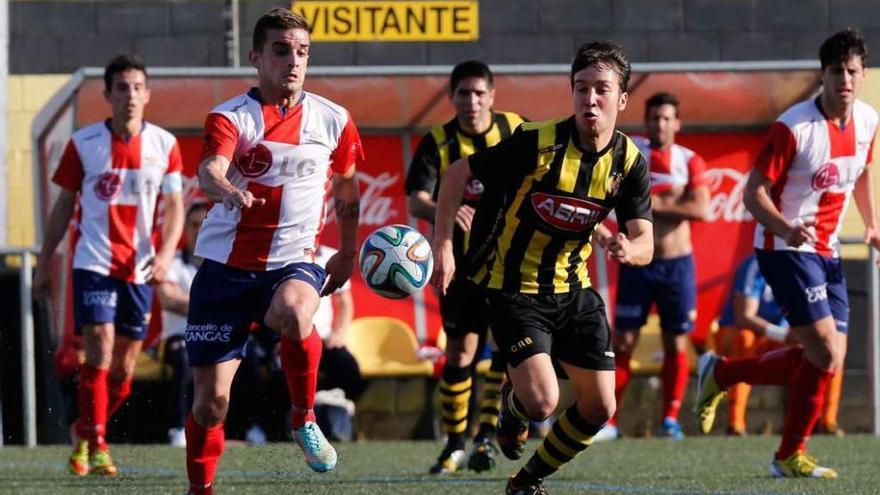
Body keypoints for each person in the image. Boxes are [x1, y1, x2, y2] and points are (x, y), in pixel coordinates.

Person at [432, 40, 654, 495]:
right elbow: (456, 175)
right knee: (543, 402)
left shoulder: (629, 162)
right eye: (581, 88)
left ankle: (526, 481)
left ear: (623, 99)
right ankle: (512, 409)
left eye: (602, 90)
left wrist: (631, 251)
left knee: (600, 407)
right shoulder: (536, 143)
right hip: (513, 288)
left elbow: (646, 239)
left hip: (575, 289)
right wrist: (444, 247)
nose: (590, 99)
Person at [183, 8, 363, 495]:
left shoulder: (334, 119)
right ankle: (200, 489)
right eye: (282, 50)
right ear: (256, 57)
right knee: (210, 406)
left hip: (293, 261)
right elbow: (209, 169)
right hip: (225, 272)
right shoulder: (231, 116)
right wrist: (225, 188)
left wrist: (347, 252)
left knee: (296, 313)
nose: (293, 61)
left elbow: (346, 184)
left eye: (302, 51)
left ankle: (303, 418)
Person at [696, 28, 880, 479]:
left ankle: (727, 379)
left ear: (861, 74)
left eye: (853, 71)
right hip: (784, 249)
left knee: (828, 360)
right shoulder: (793, 127)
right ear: (823, 74)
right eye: (836, 71)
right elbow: (753, 194)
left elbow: (859, 175)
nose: (846, 80)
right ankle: (784, 450)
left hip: (828, 251)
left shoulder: (869, 121)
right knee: (823, 354)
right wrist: (785, 227)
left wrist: (872, 225)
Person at [33, 54, 185, 476]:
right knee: (97, 343)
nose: (130, 95)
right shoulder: (83, 144)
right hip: (94, 260)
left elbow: (174, 206)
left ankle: (84, 431)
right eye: (122, 88)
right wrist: (45, 263)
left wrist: (167, 253)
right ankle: (98, 445)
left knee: (124, 369)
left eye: (138, 87)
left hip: (140, 267)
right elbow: (64, 206)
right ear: (107, 95)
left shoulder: (165, 145)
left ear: (148, 94)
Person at [405, 60, 526, 474]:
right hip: (459, 265)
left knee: (508, 351)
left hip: (510, 263)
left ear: (492, 96)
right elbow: (414, 199)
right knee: (461, 351)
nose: (472, 101)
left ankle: (486, 438)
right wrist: (447, 207)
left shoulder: (516, 129)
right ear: (452, 97)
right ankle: (454, 444)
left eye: (479, 93)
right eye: (464, 93)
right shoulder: (438, 141)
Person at [599, 92, 709, 442]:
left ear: (677, 123)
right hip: (637, 261)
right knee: (625, 341)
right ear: (646, 121)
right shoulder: (632, 155)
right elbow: (610, 198)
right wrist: (671, 201)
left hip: (677, 265)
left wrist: (647, 202)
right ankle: (609, 422)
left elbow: (700, 210)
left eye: (667, 118)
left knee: (676, 342)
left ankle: (670, 421)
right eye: (655, 118)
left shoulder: (689, 161)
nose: (661, 124)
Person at [713, 254, 790, 436]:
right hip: (739, 335)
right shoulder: (756, 264)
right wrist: (784, 334)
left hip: (779, 336)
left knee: (824, 345)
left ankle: (822, 421)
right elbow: (744, 318)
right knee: (744, 338)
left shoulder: (802, 264)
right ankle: (736, 423)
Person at [157, 200, 209, 447]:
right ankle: (177, 427)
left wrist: (189, 303)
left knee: (250, 353)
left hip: (213, 336)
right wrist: (214, 305)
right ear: (185, 228)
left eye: (204, 225)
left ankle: (254, 428)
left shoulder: (222, 266)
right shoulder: (172, 262)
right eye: (194, 225)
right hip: (178, 338)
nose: (198, 230)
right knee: (182, 357)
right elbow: (167, 299)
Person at [312, 243, 365, 442]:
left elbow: (344, 303)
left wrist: (339, 333)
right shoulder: (286, 255)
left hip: (325, 340)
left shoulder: (331, 257)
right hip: (291, 338)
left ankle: (333, 405)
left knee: (350, 369)